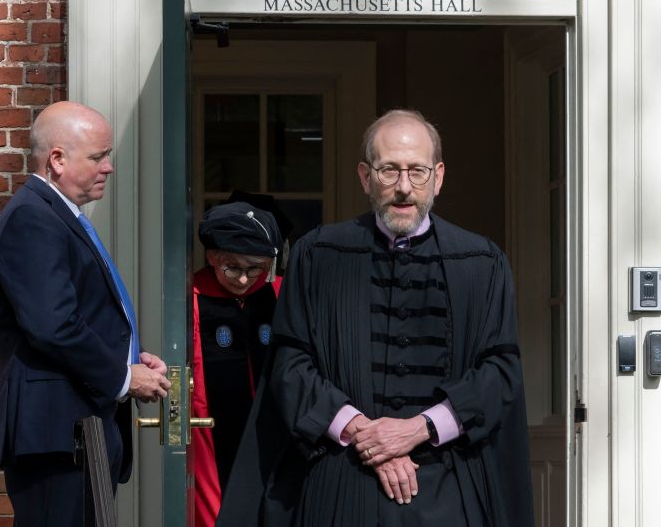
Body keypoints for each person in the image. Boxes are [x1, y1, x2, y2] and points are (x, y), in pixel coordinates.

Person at [218, 109, 533, 526]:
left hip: (447, 482)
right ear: (366, 177)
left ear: (438, 177)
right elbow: (290, 365)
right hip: (341, 478)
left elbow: (500, 372)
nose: (404, 188)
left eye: (417, 171)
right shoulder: (320, 256)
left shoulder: (481, 262)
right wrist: (363, 433)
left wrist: (418, 429)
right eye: (389, 171)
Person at [0, 101, 172, 526]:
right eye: (98, 156)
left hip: (74, 430)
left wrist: (129, 358)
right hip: (57, 434)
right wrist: (124, 377)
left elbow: (73, 316)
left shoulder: (54, 216)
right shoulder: (33, 218)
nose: (109, 167)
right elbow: (53, 324)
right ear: (57, 160)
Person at [191, 199, 287, 527]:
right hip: (211, 436)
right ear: (212, 257)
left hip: (273, 431)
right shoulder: (190, 296)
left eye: (255, 268)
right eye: (233, 267)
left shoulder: (280, 295)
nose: (245, 280)